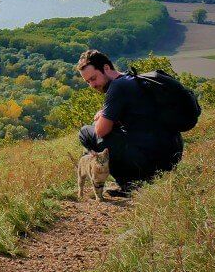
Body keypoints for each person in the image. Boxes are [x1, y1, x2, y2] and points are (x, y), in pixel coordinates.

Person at [76, 49, 183, 196]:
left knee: (86, 132)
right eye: (88, 82)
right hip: (171, 155)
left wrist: (102, 118)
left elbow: (101, 131)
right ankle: (137, 178)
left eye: (93, 78)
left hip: (150, 160)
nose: (92, 85)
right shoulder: (132, 79)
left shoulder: (117, 88)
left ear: (106, 68)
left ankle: (130, 184)